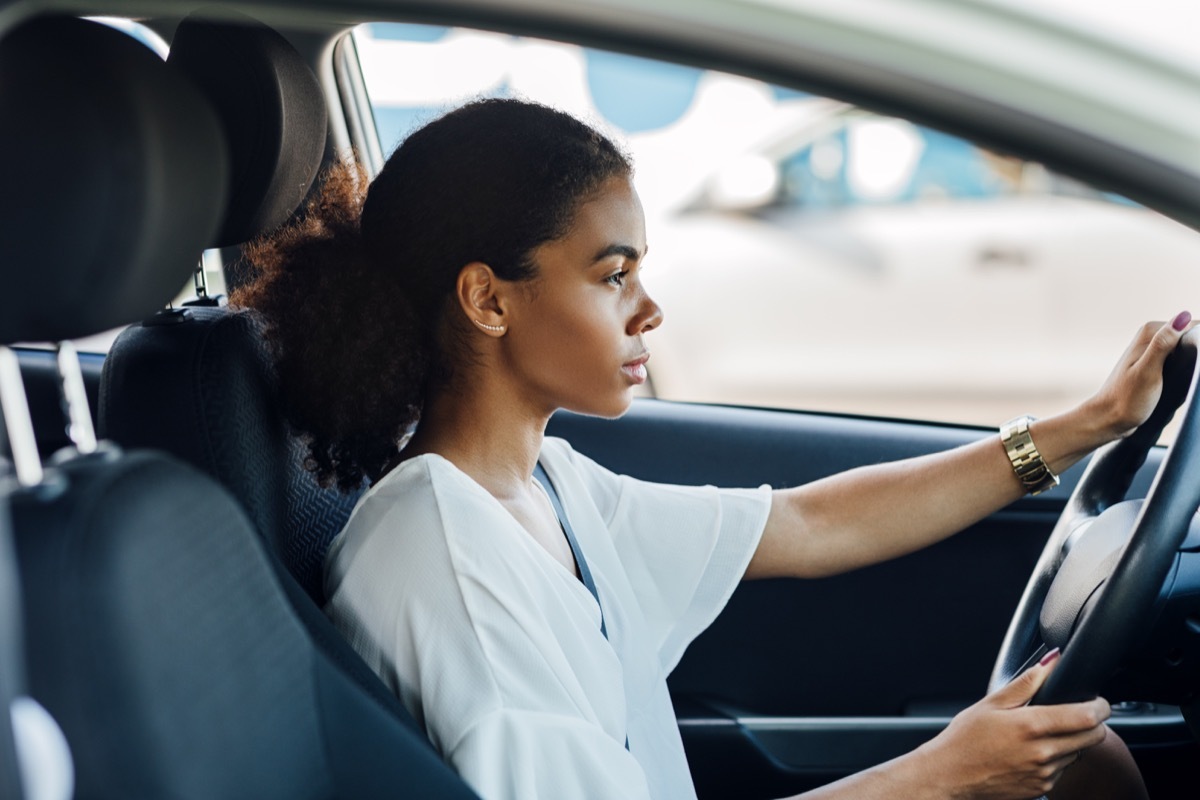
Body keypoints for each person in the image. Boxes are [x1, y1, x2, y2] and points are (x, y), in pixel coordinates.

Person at [233, 98, 1170, 800]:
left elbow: (809, 525)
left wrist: (1083, 428)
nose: (650, 310)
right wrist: (943, 772)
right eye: (614, 275)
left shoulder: (544, 487)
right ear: (489, 300)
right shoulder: (443, 563)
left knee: (1084, 758)